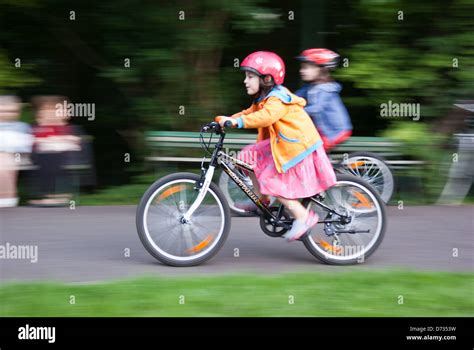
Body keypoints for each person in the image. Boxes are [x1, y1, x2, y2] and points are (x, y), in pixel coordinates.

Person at [216, 51, 337, 241]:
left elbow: (265, 118)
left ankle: (303, 216)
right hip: (283, 144)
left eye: (250, 76)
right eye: (245, 77)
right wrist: (228, 120)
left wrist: (238, 123)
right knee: (247, 156)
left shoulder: (278, 99)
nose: (245, 81)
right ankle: (261, 200)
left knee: (271, 181)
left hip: (297, 148)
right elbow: (249, 113)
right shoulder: (263, 98)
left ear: (266, 78)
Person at [295, 48, 353, 151]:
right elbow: (293, 97)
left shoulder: (326, 89)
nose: (301, 71)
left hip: (334, 131)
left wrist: (297, 111)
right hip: (323, 130)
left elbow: (317, 108)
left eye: (306, 68)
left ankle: (322, 167)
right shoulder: (311, 87)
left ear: (321, 70)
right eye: (302, 67)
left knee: (309, 151)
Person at [0, 96, 34, 207]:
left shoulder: (22, 127)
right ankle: (8, 198)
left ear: (17, 112)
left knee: (6, 162)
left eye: (11, 111)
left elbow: (25, 147)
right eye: (2, 111)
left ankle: (7, 199)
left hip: (18, 156)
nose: (7, 114)